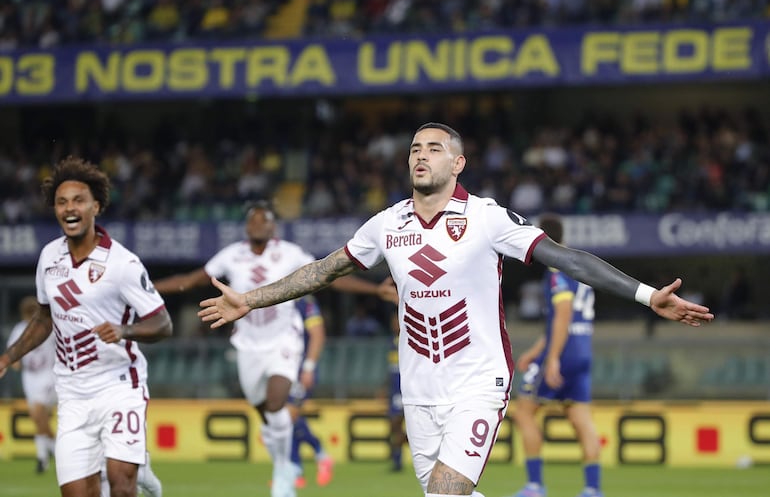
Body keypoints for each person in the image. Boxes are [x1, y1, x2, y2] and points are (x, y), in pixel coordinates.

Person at [197, 122, 713, 497]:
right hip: (419, 391)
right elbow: (325, 270)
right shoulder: (386, 225)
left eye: (435, 149)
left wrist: (648, 295)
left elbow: (566, 257)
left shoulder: (487, 219)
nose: (422, 155)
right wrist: (251, 298)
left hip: (478, 383)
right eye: (415, 149)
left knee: (444, 494)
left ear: (457, 163)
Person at [152, 200, 396, 497]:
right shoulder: (231, 256)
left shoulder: (291, 253)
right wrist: (145, 287)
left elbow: (329, 277)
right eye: (254, 220)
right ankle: (286, 465)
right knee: (266, 415)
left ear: (273, 226)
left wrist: (373, 289)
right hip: (248, 345)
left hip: (284, 341)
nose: (260, 225)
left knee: (276, 403)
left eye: (265, 220)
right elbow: (190, 281)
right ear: (247, 226)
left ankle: (283, 472)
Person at [0, 155, 173, 497]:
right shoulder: (49, 258)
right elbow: (43, 318)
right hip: (72, 393)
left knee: (121, 486)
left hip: (119, 384)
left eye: (79, 200)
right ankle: (140, 465)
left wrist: (126, 331)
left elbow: (163, 323)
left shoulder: (122, 264)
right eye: (61, 202)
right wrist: (7, 357)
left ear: (96, 206)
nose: (69, 208)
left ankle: (136, 470)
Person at [511, 213, 602, 497]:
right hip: (582, 350)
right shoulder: (580, 269)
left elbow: (562, 314)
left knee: (524, 412)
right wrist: (537, 351)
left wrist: (551, 357)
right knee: (580, 418)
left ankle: (535, 485)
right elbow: (562, 322)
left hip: (562, 353)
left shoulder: (556, 270)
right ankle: (592, 489)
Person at [6, 295, 57, 474]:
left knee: (37, 414)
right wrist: (14, 361)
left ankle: (53, 452)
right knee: (40, 418)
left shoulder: (47, 327)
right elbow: (14, 351)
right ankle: (45, 456)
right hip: (30, 378)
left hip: (48, 375)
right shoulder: (20, 329)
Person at [287, 295, 333, 488]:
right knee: (287, 421)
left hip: (300, 369)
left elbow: (318, 333)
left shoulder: (305, 302)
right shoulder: (273, 299)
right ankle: (297, 470)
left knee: (289, 415)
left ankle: (317, 455)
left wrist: (309, 366)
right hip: (281, 368)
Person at [386, 308, 406, 473]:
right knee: (394, 425)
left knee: (397, 424)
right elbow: (392, 370)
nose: (394, 324)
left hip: (407, 390)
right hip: (395, 391)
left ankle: (398, 459)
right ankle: (397, 459)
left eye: (397, 320)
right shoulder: (392, 342)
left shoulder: (409, 340)